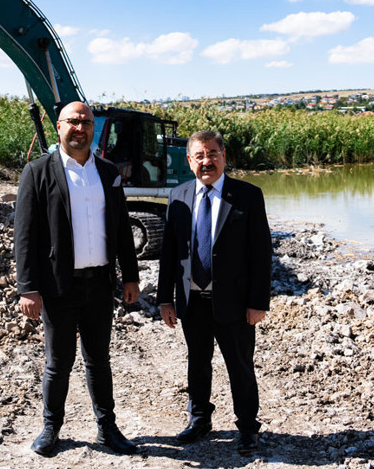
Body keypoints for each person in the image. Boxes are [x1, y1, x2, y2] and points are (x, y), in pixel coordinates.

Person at [14, 101, 141, 457]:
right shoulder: (39, 172)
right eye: (73, 122)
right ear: (59, 127)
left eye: (86, 122)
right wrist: (28, 287)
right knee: (59, 362)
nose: (80, 128)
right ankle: (51, 428)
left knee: (99, 360)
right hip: (58, 286)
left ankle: (107, 429)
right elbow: (24, 235)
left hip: (100, 284)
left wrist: (129, 275)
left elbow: (121, 227)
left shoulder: (107, 171)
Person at [157, 130, 273, 455]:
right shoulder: (178, 196)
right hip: (192, 302)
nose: (206, 161)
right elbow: (169, 253)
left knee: (240, 366)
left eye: (212, 153)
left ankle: (248, 428)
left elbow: (261, 253)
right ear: (189, 161)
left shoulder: (248, 196)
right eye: (200, 155)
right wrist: (165, 298)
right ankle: (199, 420)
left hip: (235, 304)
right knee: (197, 364)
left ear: (223, 156)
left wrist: (257, 302)